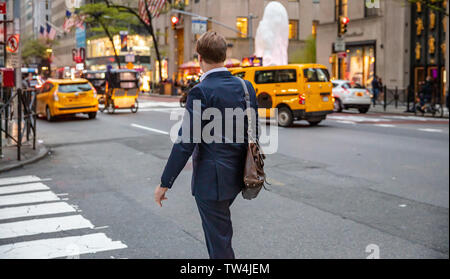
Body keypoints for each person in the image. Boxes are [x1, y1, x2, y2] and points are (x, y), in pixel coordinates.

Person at [154, 31, 259, 259]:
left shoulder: (201, 91)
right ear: (224, 55)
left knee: (219, 243)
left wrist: (165, 183)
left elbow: (185, 142)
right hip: (240, 174)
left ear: (199, 58)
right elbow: (254, 131)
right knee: (220, 235)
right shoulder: (245, 87)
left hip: (212, 181)